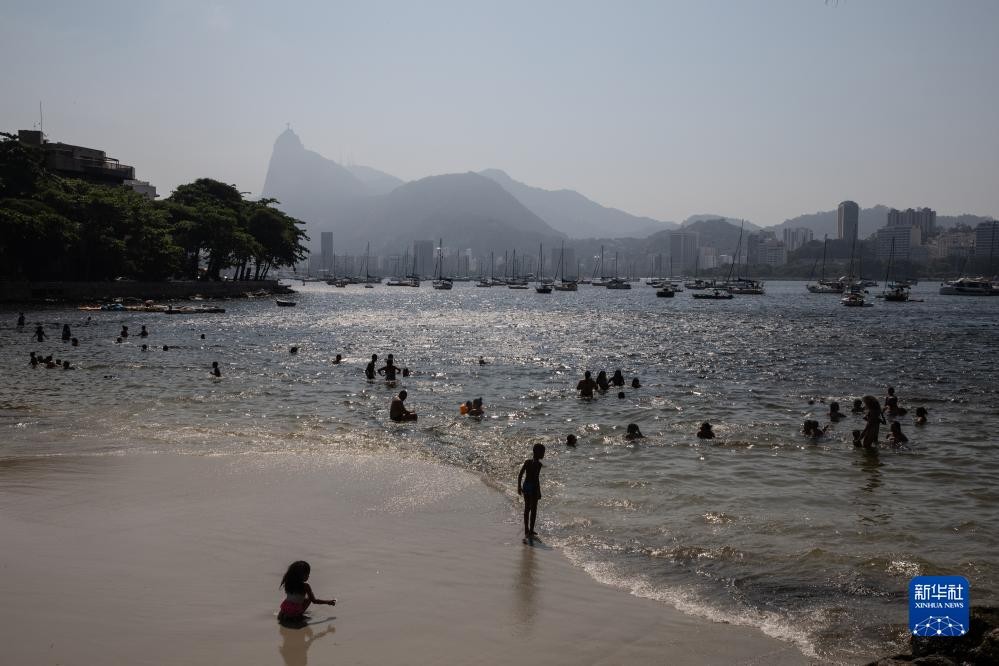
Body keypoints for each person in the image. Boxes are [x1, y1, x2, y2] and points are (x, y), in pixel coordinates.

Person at [278, 561, 335, 627]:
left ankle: (290, 614)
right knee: (308, 599)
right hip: (295, 612)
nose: (308, 576)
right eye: (307, 574)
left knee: (295, 600)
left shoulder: (288, 583)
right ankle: (298, 614)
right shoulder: (305, 586)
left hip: (284, 609)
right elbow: (314, 601)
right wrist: (328, 602)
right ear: (302, 575)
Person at [517, 444, 545, 540]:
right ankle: (531, 530)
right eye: (543, 452)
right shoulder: (539, 465)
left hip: (526, 486)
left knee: (527, 508)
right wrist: (539, 492)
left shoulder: (527, 462)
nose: (544, 454)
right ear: (538, 453)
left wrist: (519, 486)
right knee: (533, 510)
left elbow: (520, 474)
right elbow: (536, 479)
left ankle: (526, 529)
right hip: (533, 488)